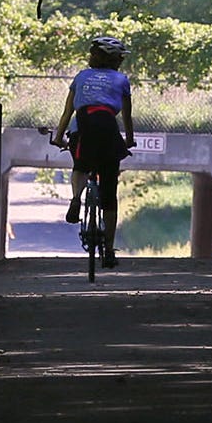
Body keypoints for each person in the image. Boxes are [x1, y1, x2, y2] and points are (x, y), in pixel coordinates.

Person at [50, 35, 136, 268]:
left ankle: (76, 198)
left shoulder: (81, 77)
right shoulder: (122, 80)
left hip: (81, 129)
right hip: (108, 132)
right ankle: (108, 251)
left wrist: (58, 137)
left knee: (80, 165)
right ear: (113, 60)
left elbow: (67, 112)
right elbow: (127, 117)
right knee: (109, 195)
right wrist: (129, 140)